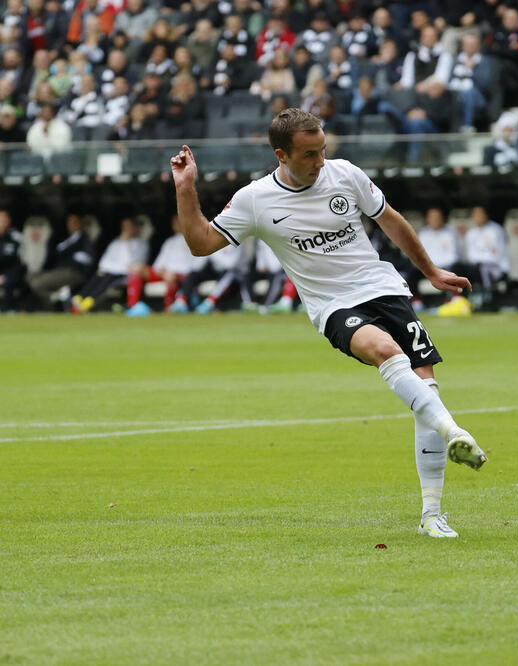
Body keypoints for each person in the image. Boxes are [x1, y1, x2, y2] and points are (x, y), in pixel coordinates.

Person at [169, 108, 486, 538]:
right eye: (309, 155)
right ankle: (454, 430)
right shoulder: (255, 200)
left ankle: (432, 515)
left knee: (424, 386)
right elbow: (200, 242)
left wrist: (430, 271)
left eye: (323, 151)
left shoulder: (344, 174)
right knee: (385, 353)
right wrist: (186, 189)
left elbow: (389, 219)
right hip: (333, 305)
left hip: (384, 289)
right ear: (281, 154)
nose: (320, 162)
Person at [71, 216, 148, 313]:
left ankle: (89, 302)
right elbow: (106, 257)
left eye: (129, 226)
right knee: (98, 275)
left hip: (124, 273)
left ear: (135, 228)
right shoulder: (116, 242)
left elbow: (133, 262)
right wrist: (103, 268)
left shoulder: (141, 243)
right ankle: (80, 297)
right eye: (124, 227)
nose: (126, 230)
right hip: (109, 270)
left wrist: (126, 243)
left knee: (107, 279)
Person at [125, 214, 198, 316]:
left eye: (179, 221)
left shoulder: (194, 239)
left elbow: (195, 266)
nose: (176, 224)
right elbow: (158, 265)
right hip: (164, 273)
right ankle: (132, 306)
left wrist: (173, 272)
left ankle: (169, 310)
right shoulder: (169, 242)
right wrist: (162, 272)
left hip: (180, 276)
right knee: (136, 268)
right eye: (174, 222)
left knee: (170, 276)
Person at [27, 212, 94, 309]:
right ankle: (58, 297)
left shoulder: (84, 240)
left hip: (72, 272)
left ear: (80, 223)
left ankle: (59, 298)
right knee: (29, 277)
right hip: (57, 271)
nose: (72, 225)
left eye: (75, 222)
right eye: (70, 222)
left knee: (36, 284)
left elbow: (89, 260)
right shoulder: (64, 238)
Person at [0, 209, 26, 312]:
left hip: (10, 274)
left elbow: (21, 263)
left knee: (9, 284)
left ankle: (10, 310)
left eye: (4, 219)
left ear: (8, 221)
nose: (1, 222)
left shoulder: (16, 238)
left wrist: (5, 277)